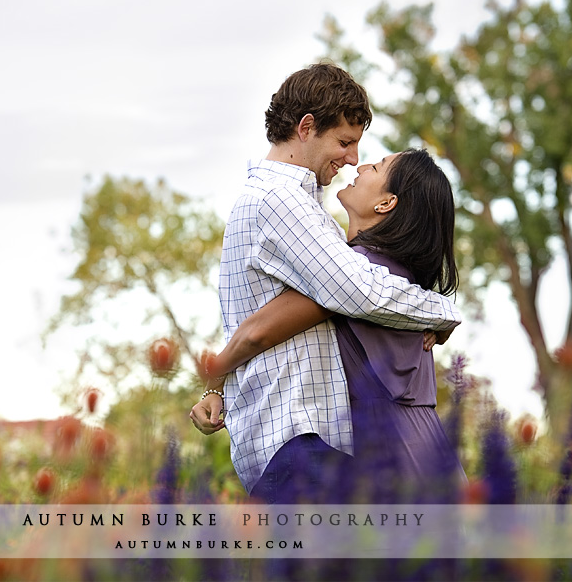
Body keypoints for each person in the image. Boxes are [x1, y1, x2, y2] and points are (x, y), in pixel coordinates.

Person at [189, 62, 462, 504]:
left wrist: (216, 381)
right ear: (306, 127)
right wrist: (443, 310)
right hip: (297, 444)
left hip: (303, 447)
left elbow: (269, 324)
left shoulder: (302, 210)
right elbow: (355, 290)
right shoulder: (282, 202)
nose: (353, 158)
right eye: (344, 142)